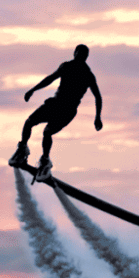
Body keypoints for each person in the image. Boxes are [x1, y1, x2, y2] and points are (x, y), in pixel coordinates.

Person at [8, 44, 103, 182]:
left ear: (86, 57)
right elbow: (50, 79)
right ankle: (23, 148)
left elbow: (98, 97)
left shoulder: (88, 75)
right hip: (54, 104)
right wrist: (33, 90)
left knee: (47, 132)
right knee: (29, 122)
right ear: (74, 53)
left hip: (67, 111)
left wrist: (97, 117)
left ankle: (45, 160)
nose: (81, 56)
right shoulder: (66, 66)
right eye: (79, 53)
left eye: (84, 55)